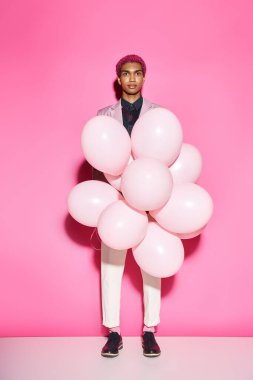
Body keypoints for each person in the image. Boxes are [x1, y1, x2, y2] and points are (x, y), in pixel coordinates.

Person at [93, 54, 162, 358]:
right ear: (118, 78)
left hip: (151, 202)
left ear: (144, 77)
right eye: (126, 73)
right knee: (110, 267)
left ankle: (150, 332)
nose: (132, 79)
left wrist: (156, 199)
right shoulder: (103, 116)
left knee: (152, 265)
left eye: (137, 73)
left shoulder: (160, 115)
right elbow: (98, 160)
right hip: (116, 203)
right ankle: (114, 333)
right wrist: (104, 202)